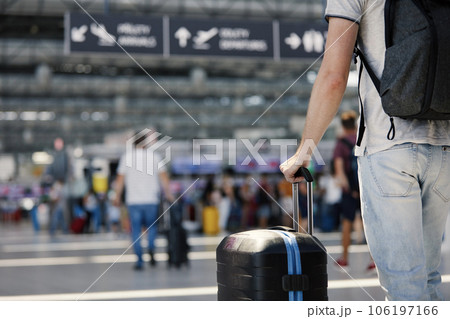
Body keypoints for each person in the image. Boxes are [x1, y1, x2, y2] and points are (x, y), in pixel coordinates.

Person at [280, 0, 450, 301]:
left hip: (388, 147)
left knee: (405, 285)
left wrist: (303, 152)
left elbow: (334, 77)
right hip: (444, 146)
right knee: (428, 278)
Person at [114, 130, 174, 271]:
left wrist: (116, 196)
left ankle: (140, 261)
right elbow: (164, 177)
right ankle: (151, 248)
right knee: (152, 227)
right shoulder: (154, 156)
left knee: (135, 230)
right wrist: (169, 194)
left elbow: (120, 179)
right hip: (151, 199)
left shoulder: (127, 157)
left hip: (133, 200)